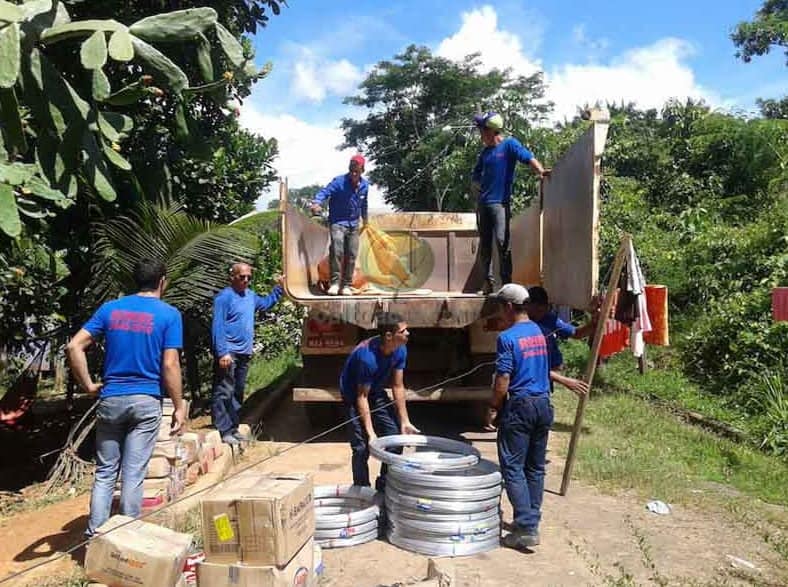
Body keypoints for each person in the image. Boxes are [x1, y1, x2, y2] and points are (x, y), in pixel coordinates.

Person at [66, 258, 185, 537]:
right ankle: (127, 538)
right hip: (145, 401)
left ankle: (95, 535)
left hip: (111, 399)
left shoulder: (111, 309)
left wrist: (88, 385)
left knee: (106, 471)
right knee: (133, 473)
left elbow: (74, 346)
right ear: (161, 282)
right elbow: (170, 364)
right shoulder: (169, 314)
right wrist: (179, 406)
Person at [488, 283, 552, 550]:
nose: (499, 314)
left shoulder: (507, 337)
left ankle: (525, 526)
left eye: (500, 308)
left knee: (512, 467)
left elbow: (503, 378)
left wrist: (493, 407)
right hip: (544, 404)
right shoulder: (537, 331)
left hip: (521, 406)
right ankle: (531, 521)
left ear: (509, 307)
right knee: (534, 467)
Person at [471, 112, 550, 294]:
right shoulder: (485, 153)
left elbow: (527, 156)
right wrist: (476, 190)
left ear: (491, 131)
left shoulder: (509, 145)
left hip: (500, 204)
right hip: (484, 204)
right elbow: (475, 176)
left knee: (502, 243)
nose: (481, 135)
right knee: (485, 245)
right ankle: (488, 284)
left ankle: (506, 285)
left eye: (482, 131)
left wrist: (541, 172)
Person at [339, 312, 420, 489]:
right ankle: (362, 491)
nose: (408, 334)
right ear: (389, 336)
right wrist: (370, 432)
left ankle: (384, 485)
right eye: (403, 331)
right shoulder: (366, 358)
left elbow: (398, 386)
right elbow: (362, 397)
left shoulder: (400, 348)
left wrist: (404, 421)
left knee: (396, 438)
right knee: (361, 448)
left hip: (374, 392)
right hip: (354, 396)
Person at [211, 263, 284, 445]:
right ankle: (224, 429)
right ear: (232, 277)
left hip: (244, 353)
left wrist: (279, 289)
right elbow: (217, 327)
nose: (246, 280)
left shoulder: (250, 296)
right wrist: (222, 352)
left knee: (237, 392)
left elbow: (266, 304)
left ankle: (233, 427)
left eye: (249, 277)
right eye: (242, 277)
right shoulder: (224, 298)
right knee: (224, 391)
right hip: (229, 353)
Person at [310, 154, 369, 296]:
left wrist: (365, 220)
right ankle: (335, 283)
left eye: (357, 170)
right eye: (352, 169)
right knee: (337, 249)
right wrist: (317, 202)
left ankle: (347, 285)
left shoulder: (365, 185)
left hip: (353, 224)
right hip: (337, 222)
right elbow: (324, 192)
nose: (354, 173)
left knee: (352, 253)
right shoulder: (339, 182)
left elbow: (364, 204)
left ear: (362, 170)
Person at [526, 286, 593, 395]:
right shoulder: (522, 328)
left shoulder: (549, 319)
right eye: (537, 310)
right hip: (530, 384)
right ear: (528, 306)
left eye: (543, 310)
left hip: (546, 383)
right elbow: (532, 366)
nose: (540, 314)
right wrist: (565, 380)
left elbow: (577, 333)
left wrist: (594, 323)